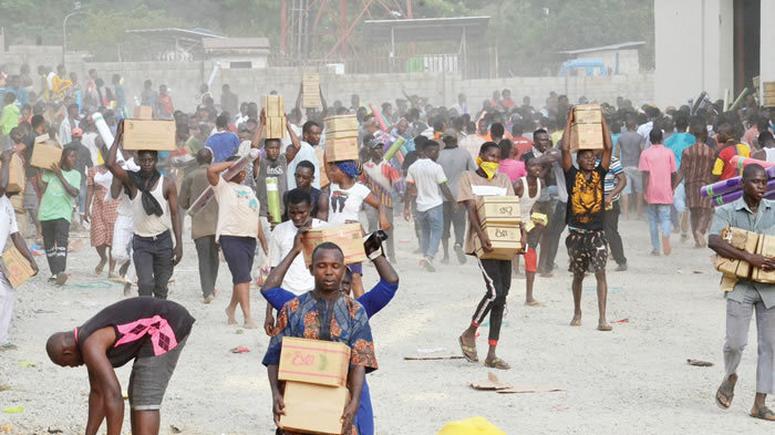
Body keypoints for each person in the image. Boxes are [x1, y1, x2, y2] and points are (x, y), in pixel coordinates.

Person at [261, 222, 398, 435]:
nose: (328, 273)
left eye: (335, 267)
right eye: (322, 266)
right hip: (299, 400)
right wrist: (275, 394)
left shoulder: (356, 311)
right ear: (311, 268)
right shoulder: (294, 308)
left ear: (344, 270)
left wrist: (354, 403)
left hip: (341, 401)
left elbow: (359, 361)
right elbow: (274, 356)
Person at [46, 298, 195, 434]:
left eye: (67, 365)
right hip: (162, 322)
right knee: (137, 392)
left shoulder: (91, 345)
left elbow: (114, 396)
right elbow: (98, 393)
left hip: (168, 323)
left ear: (67, 353)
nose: (73, 367)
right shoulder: (86, 339)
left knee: (145, 394)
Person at [709, 163, 775, 422]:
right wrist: (749, 257)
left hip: (770, 289)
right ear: (742, 184)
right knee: (735, 343)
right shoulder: (726, 211)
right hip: (740, 286)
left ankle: (760, 403)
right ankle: (730, 376)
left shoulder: (774, 211)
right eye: (755, 182)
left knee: (769, 346)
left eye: (764, 182)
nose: (761, 186)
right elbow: (713, 240)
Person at [458, 142, 521, 369]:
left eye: (497, 158)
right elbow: (471, 209)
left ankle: (492, 352)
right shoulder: (468, 178)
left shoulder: (503, 180)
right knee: (495, 291)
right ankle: (470, 332)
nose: (493, 161)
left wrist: (521, 234)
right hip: (482, 243)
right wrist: (481, 234)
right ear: (481, 156)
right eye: (490, 156)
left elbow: (512, 210)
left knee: (503, 296)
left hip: (505, 242)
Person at [107, 121, 183, 299]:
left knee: (161, 288)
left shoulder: (167, 184)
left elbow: (174, 214)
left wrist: (178, 244)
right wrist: (119, 136)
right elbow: (111, 164)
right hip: (142, 242)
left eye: (150, 160)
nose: (147, 163)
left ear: (156, 160)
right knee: (145, 285)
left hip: (163, 240)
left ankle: (158, 322)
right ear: (138, 161)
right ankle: (146, 321)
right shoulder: (132, 181)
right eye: (144, 160)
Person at [560, 111, 613, 331]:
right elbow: (564, 149)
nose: (591, 160)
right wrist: (569, 121)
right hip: (577, 234)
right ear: (578, 159)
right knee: (578, 275)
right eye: (586, 157)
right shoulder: (572, 174)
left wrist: (601, 121)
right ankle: (577, 311)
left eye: (593, 157)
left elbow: (608, 148)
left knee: (601, 273)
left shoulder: (600, 174)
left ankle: (602, 318)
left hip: (597, 233)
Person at [207, 156, 268, 328]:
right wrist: (231, 165)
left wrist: (263, 240)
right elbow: (211, 170)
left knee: (240, 277)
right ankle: (248, 317)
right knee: (243, 277)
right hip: (231, 237)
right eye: (239, 168)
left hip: (249, 238)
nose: (242, 172)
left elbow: (254, 216)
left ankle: (231, 308)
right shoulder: (222, 187)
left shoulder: (248, 191)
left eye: (243, 169)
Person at [319, 160, 390, 296]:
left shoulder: (360, 189)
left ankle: (361, 311)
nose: (331, 173)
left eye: (335, 170)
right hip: (332, 236)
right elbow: (327, 160)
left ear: (344, 172)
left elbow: (379, 204)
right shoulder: (333, 186)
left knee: (355, 277)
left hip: (351, 236)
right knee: (334, 277)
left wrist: (383, 217)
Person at [264, 188, 329, 333]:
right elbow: (274, 273)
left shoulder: (324, 229)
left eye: (302, 212)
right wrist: (268, 313)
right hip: (286, 299)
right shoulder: (279, 231)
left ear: (310, 207)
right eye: (292, 212)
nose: (297, 217)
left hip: (316, 298)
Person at [0, 150, 38, 348]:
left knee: (8, 292)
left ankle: (2, 338)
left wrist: (31, 260)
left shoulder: (6, 203)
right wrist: (6, 160)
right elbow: (2, 185)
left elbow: (16, 236)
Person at [404, 140, 456, 271]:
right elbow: (443, 186)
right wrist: (453, 201)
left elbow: (409, 188)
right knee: (437, 231)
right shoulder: (436, 167)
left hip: (420, 206)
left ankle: (425, 255)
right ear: (429, 151)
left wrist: (406, 207)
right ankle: (430, 257)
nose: (438, 154)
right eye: (436, 151)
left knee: (425, 232)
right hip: (435, 205)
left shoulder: (413, 167)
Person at [178, 148, 219, 303]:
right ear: (211, 159)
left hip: (199, 224)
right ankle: (212, 287)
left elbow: (182, 202)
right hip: (217, 223)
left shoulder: (190, 176)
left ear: (197, 160)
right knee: (214, 257)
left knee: (203, 258)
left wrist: (193, 204)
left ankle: (207, 292)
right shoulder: (218, 175)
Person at [38, 145, 81, 285]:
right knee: (49, 246)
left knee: (62, 243)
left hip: (63, 214)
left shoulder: (76, 174)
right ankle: (54, 273)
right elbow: (42, 188)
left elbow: (73, 192)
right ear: (63, 158)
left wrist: (59, 175)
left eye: (75, 156)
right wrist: (41, 171)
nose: (74, 159)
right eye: (71, 156)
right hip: (46, 213)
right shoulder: (50, 173)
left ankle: (60, 272)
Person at [437, 128, 476, 264]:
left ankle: (446, 255)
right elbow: (474, 172)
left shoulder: (439, 155)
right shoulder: (465, 154)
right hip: (460, 196)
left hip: (442, 197)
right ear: (456, 139)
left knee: (444, 227)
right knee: (459, 224)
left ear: (444, 141)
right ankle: (459, 243)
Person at [361, 135, 400, 263]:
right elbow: (362, 183)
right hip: (371, 202)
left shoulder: (389, 165)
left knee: (387, 228)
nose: (379, 150)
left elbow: (396, 183)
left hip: (386, 201)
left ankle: (391, 255)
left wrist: (400, 194)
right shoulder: (366, 166)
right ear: (371, 150)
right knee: (373, 229)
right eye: (376, 148)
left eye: (381, 148)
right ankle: (375, 256)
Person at [677, 120, 716, 247]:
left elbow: (681, 171)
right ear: (705, 135)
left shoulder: (687, 151)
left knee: (694, 212)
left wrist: (672, 186)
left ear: (694, 135)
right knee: (706, 211)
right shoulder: (711, 152)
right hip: (706, 185)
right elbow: (714, 171)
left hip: (691, 185)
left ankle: (697, 240)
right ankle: (700, 231)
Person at [639, 128, 677, 256]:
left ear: (649, 139)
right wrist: (672, 187)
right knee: (666, 217)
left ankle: (656, 248)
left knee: (653, 220)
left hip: (651, 190)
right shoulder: (669, 152)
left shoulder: (645, 153)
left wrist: (644, 191)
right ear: (662, 138)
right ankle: (666, 235)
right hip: (665, 189)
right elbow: (673, 173)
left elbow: (645, 174)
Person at [515, 158, 545, 305]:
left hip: (526, 222)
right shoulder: (519, 185)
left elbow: (533, 205)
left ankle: (529, 296)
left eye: (539, 165)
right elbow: (508, 207)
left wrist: (537, 218)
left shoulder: (540, 183)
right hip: (513, 223)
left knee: (531, 254)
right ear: (526, 168)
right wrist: (522, 230)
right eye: (533, 165)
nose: (537, 168)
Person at [85, 155, 119, 277]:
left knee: (113, 240)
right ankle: (103, 258)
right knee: (98, 237)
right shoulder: (93, 170)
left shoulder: (119, 169)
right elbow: (90, 190)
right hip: (98, 207)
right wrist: (85, 209)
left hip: (115, 207)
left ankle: (111, 270)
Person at [602, 153, 627, 271]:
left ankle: (621, 260)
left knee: (610, 232)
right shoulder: (587, 159)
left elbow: (622, 180)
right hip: (592, 202)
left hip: (609, 203)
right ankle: (594, 261)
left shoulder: (612, 161)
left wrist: (611, 195)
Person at [617, 118, 646, 219]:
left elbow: (617, 153)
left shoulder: (621, 138)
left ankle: (626, 214)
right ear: (635, 126)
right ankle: (639, 214)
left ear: (626, 126)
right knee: (639, 190)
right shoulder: (639, 137)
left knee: (625, 191)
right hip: (637, 166)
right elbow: (642, 152)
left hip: (625, 166)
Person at [286, 120, 322, 189]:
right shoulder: (307, 150)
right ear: (305, 135)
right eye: (315, 134)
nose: (318, 137)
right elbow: (306, 175)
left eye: (319, 134)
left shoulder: (305, 148)